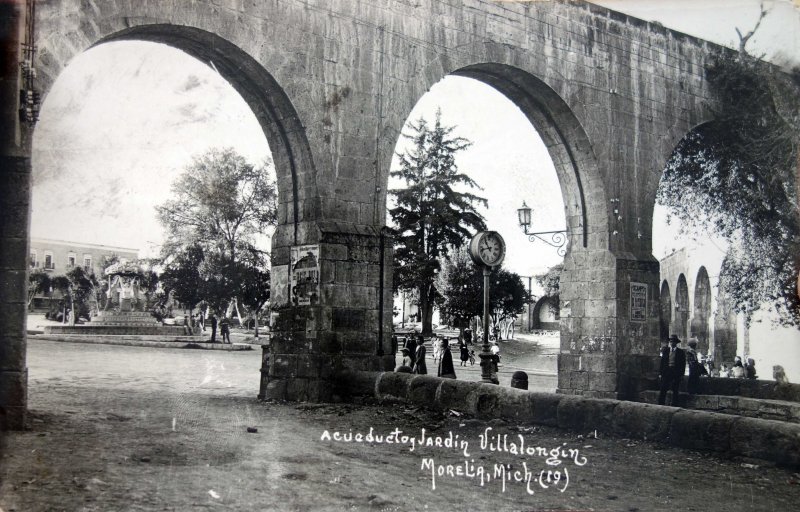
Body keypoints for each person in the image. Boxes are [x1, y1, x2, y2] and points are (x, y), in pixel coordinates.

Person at [658, 335, 686, 406]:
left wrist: (681, 374)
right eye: (670, 341)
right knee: (663, 388)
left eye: (673, 341)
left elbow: (683, 364)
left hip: (676, 372)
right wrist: (661, 373)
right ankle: (661, 403)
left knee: (675, 389)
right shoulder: (666, 351)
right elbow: (662, 362)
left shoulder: (680, 352)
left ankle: (674, 404)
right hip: (666, 371)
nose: (672, 343)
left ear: (676, 343)